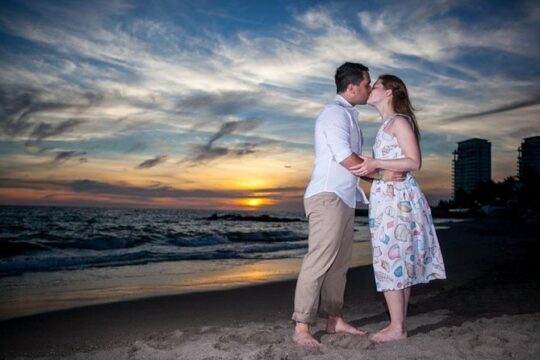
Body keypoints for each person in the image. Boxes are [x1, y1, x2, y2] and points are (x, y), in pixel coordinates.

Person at [292, 63, 403, 347]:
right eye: (367, 84)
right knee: (318, 261)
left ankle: (334, 319)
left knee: (339, 266)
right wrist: (382, 175)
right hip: (327, 196)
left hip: (343, 197)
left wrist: (378, 180)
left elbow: (354, 164)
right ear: (352, 87)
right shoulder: (333, 114)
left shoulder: (348, 116)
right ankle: (302, 327)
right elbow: (344, 156)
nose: (369, 89)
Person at [351, 74, 447, 343]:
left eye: (376, 85)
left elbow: (414, 161)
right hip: (390, 198)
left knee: (391, 258)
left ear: (390, 92)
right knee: (398, 260)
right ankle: (398, 323)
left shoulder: (399, 122)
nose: (370, 89)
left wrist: (374, 163)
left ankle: (397, 327)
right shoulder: (387, 125)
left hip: (397, 200)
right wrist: (373, 168)